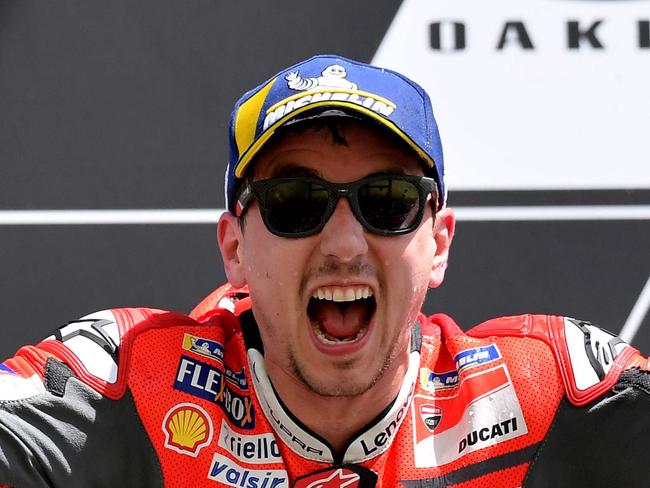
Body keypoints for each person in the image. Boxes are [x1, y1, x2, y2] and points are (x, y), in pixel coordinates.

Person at [0, 54, 648, 488]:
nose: (344, 244)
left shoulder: (549, 388)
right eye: (295, 204)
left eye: (386, 202)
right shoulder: (128, 381)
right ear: (234, 250)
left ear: (440, 241)